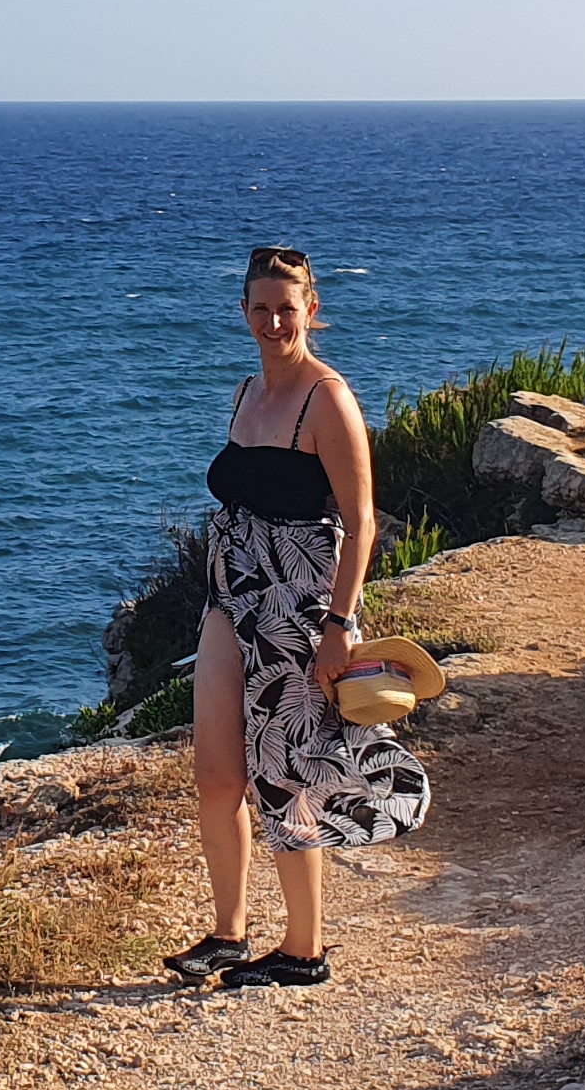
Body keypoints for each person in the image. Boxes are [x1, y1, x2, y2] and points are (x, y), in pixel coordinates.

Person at [162, 246, 431, 991]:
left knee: (283, 773)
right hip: (231, 596)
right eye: (261, 308)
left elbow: (362, 522)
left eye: (288, 308)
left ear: (311, 310)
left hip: (298, 607)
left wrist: (340, 624)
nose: (274, 322)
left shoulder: (328, 400)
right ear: (243, 313)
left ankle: (304, 950)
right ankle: (228, 933)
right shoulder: (247, 391)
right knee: (218, 775)